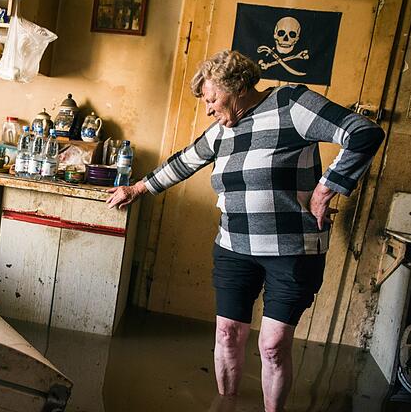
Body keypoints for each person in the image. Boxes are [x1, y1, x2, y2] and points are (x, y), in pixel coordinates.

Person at [106, 50, 384, 411]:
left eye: (211, 99)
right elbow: (184, 162)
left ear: (236, 88)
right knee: (227, 333)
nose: (208, 109)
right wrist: (135, 189)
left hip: (292, 251)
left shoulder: (291, 104)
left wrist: (326, 187)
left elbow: (363, 133)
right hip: (234, 247)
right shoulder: (224, 130)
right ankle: (226, 405)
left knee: (271, 345)